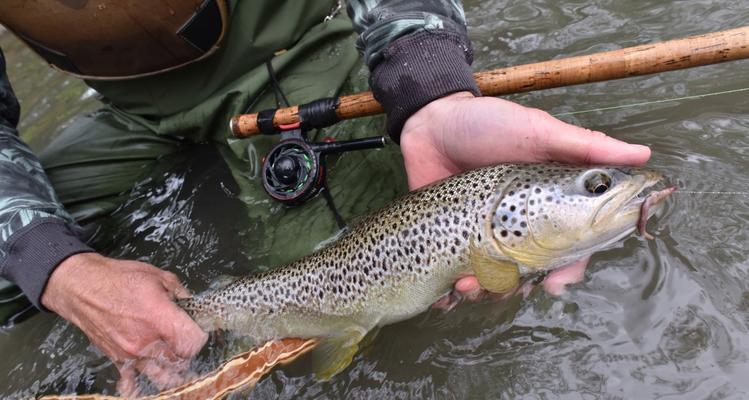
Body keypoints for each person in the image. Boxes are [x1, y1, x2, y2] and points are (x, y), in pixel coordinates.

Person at [0, 0, 650, 394]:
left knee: (332, 260)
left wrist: (428, 87)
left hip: (285, 52)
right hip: (134, 109)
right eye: (595, 187)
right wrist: (56, 266)